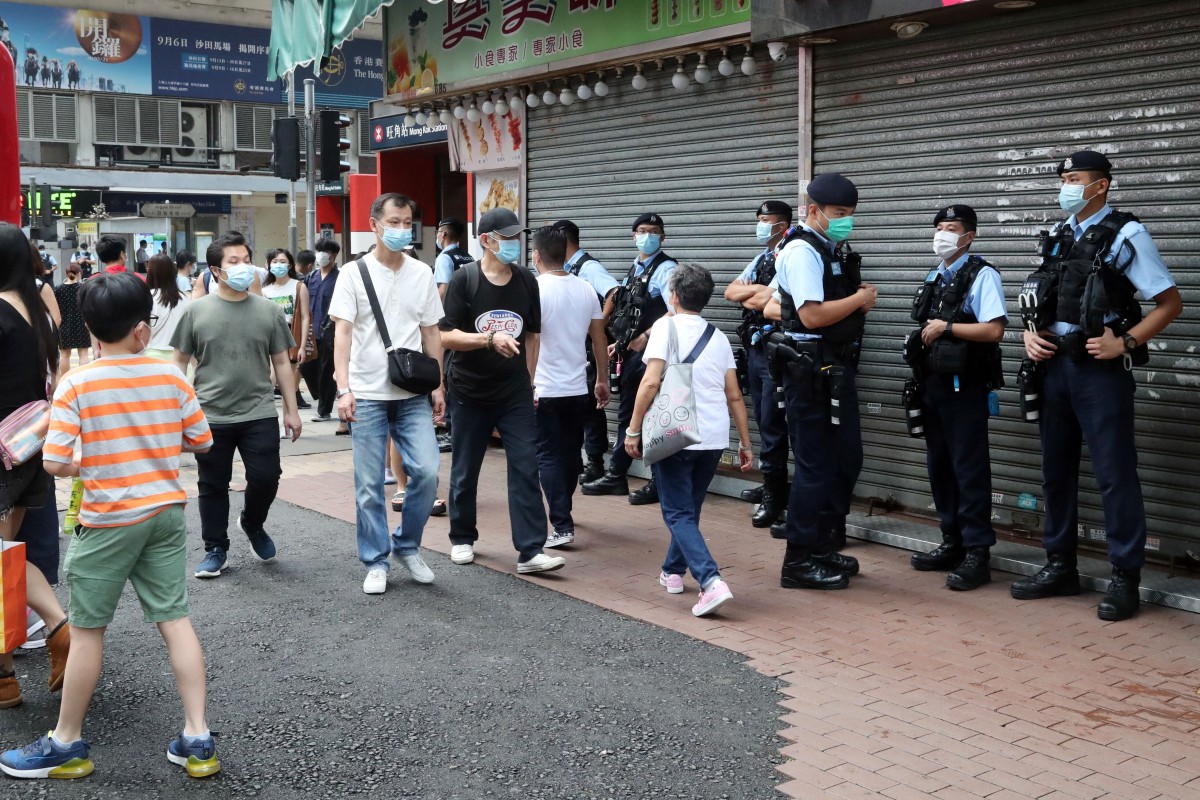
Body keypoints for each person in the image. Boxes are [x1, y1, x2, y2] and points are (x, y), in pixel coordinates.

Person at [1, 271, 219, 780]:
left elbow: (55, 463)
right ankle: (197, 736)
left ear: (91, 331)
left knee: (88, 631)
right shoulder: (171, 376)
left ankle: (66, 743)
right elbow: (201, 441)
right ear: (143, 330)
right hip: (165, 512)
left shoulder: (80, 381)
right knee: (174, 619)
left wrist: (96, 461)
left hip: (107, 520)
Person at [1012, 150, 1182, 621]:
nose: (1067, 185)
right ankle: (1059, 566)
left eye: (1075, 177)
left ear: (1101, 185)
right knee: (1056, 472)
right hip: (1054, 369)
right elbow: (1046, 296)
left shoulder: (1128, 234)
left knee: (1114, 475)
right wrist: (1030, 334)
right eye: (1063, 177)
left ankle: (1125, 577)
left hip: (1100, 372)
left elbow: (1170, 303)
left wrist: (1124, 343)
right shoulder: (1060, 235)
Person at [763, 173, 878, 591]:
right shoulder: (801, 251)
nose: (846, 221)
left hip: (835, 369)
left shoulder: (829, 248)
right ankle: (798, 560)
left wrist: (850, 300)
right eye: (839, 214)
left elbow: (784, 304)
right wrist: (859, 300)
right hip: (810, 372)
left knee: (846, 460)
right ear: (813, 211)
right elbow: (809, 315)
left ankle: (823, 544)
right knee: (814, 467)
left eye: (850, 214)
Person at [328, 193, 445, 594]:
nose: (401, 229)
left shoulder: (421, 273)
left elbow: (432, 333)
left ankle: (407, 546)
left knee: (427, 471)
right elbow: (342, 335)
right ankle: (375, 559)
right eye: (393, 221)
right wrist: (343, 389)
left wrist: (439, 386)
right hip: (366, 393)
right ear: (375, 224)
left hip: (412, 393)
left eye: (407, 221)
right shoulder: (352, 274)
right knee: (367, 485)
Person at [625, 263, 754, 617]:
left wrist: (633, 428)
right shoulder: (719, 337)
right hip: (713, 436)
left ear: (675, 295)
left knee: (678, 512)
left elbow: (650, 381)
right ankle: (672, 572)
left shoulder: (665, 326)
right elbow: (735, 396)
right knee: (688, 510)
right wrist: (745, 443)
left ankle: (711, 581)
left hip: (675, 432)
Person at [440, 208, 564, 575]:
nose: (514, 243)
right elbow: (445, 335)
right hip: (469, 392)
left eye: (516, 236)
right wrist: (488, 339)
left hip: (514, 395)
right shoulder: (465, 279)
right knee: (465, 470)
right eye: (506, 237)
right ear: (485, 240)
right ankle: (462, 537)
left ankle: (530, 550)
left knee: (526, 466)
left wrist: (528, 381)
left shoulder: (527, 279)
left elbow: (533, 334)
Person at [171, 232, 300, 579]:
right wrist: (179, 410)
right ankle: (216, 548)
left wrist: (291, 409)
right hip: (210, 413)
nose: (244, 267)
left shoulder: (269, 311)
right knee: (212, 484)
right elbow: (178, 363)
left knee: (266, 477)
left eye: (247, 260)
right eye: (234, 261)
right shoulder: (195, 312)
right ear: (216, 270)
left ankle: (252, 523)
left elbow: (283, 363)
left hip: (258, 411)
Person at [905, 205, 1006, 591]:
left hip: (966, 387)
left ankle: (978, 553)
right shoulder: (936, 275)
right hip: (933, 384)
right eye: (939, 228)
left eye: (951, 228)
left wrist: (948, 326)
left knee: (969, 470)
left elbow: (994, 330)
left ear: (969, 236)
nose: (942, 234)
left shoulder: (982, 275)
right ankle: (952, 541)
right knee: (940, 466)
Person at [0, 223, 70, 712]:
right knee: (7, 557)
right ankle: (5, 674)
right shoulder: (37, 310)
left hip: (2, 449)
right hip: (29, 448)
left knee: (6, 558)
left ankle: (58, 626)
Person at [582, 212, 679, 506]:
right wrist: (619, 344)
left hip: (653, 353)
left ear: (662, 237)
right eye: (641, 230)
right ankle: (619, 475)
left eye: (652, 231)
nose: (646, 236)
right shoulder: (635, 269)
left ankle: (646, 480)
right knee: (633, 413)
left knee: (650, 417)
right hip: (632, 354)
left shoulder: (667, 269)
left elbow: (676, 309)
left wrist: (647, 336)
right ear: (633, 235)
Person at [530, 225, 610, 548]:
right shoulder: (585, 289)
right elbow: (599, 338)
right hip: (578, 389)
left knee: (548, 455)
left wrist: (528, 383)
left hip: (545, 390)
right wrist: (603, 379)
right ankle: (564, 511)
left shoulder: (534, 289)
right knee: (570, 455)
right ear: (565, 253)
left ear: (536, 255)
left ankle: (562, 524)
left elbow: (531, 340)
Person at [724, 200, 793, 530]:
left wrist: (755, 295)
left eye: (768, 221)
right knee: (765, 422)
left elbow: (768, 304)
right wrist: (759, 292)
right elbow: (730, 292)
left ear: (784, 224)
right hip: (757, 350)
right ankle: (772, 485)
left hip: (780, 353)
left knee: (775, 425)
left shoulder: (791, 252)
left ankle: (776, 497)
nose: (762, 225)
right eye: (760, 220)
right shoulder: (764, 256)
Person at [553, 219, 621, 486]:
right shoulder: (567, 269)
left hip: (589, 350)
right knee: (576, 405)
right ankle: (578, 459)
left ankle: (595, 462)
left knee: (591, 407)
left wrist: (597, 325)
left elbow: (615, 292)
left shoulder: (588, 267)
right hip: (572, 348)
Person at [262, 249, 312, 414]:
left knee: (288, 384)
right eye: (275, 261)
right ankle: (266, 416)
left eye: (282, 261)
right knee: (269, 378)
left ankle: (288, 420)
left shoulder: (299, 287)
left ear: (290, 264)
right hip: (270, 336)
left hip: (291, 335)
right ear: (268, 264)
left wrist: (303, 346)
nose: (278, 265)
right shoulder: (265, 290)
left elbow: (305, 317)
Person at [306, 238, 342, 422]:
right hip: (311, 331)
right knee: (306, 366)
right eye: (318, 250)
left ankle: (324, 410)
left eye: (325, 251)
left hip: (331, 331)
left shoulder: (340, 277)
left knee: (327, 370)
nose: (320, 255)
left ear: (334, 255)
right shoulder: (310, 278)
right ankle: (323, 395)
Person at [145, 253, 190, 362]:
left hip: (151, 355)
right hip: (180, 357)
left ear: (150, 273)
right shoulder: (185, 298)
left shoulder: (147, 297)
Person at [433, 217, 473, 300]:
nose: (437, 235)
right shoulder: (468, 256)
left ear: (443, 234)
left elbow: (443, 290)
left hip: (453, 308)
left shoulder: (444, 258)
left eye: (438, 232)